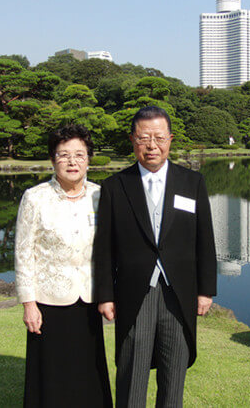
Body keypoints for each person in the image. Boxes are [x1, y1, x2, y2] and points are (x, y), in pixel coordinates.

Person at [94, 106, 217, 407]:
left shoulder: (192, 182)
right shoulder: (114, 186)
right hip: (135, 291)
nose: (152, 145)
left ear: (170, 139)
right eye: (144, 138)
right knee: (132, 372)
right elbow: (104, 247)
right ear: (133, 140)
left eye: (159, 137)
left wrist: (205, 290)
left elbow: (205, 239)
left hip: (179, 292)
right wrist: (105, 295)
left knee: (174, 373)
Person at [15, 124, 112, 408]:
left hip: (89, 297)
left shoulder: (101, 195)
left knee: (88, 366)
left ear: (89, 159)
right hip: (48, 299)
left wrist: (111, 293)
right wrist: (28, 303)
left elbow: (110, 250)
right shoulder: (35, 198)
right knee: (51, 369)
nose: (72, 162)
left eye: (79, 155)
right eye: (64, 155)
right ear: (53, 159)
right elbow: (23, 253)